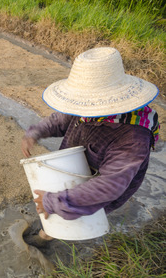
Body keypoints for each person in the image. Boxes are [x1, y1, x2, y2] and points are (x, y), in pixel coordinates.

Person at [21, 47, 160, 245]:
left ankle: (47, 236)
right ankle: (51, 229)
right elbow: (60, 120)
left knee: (75, 209)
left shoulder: (133, 138)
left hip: (101, 184)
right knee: (61, 201)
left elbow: (109, 186)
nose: (81, 109)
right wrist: (35, 133)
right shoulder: (84, 107)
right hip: (77, 168)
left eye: (88, 104)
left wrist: (52, 201)